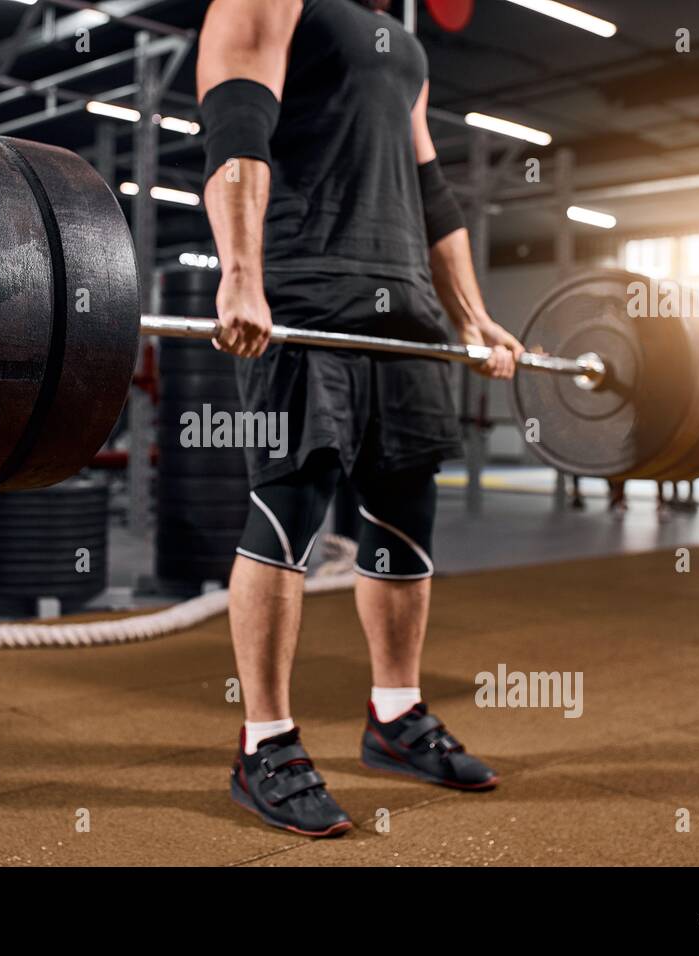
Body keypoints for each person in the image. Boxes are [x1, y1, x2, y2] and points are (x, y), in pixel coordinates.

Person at [197, 0, 524, 837]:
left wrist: (472, 316)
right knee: (291, 502)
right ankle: (263, 742)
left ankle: (396, 716)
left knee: (405, 508)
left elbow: (430, 189)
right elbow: (237, 121)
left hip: (404, 303)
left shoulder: (401, 39)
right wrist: (241, 271)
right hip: (303, 289)